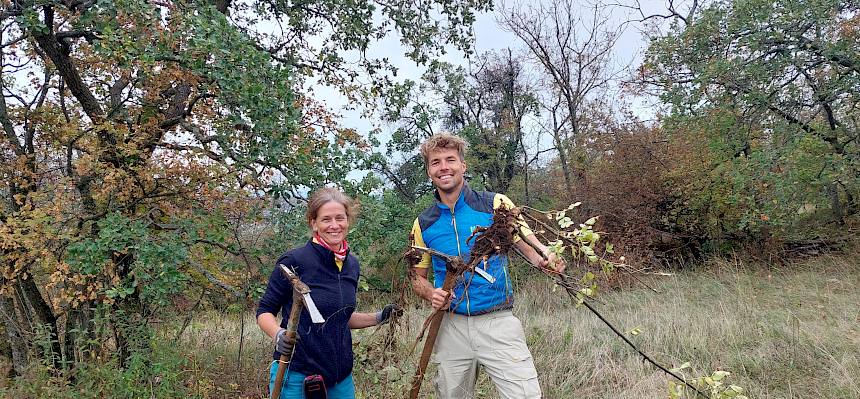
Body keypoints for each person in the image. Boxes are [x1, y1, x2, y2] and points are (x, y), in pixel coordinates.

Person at [409, 133, 565, 399]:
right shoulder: (423, 223)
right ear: (429, 170)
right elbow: (416, 277)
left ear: (463, 166)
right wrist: (430, 293)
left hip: (497, 320)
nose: (443, 167)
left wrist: (545, 258)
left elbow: (528, 244)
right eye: (436, 162)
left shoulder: (495, 204)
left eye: (450, 160)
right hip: (450, 325)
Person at [257, 187, 399, 398]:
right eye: (326, 219)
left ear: (348, 221)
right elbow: (264, 311)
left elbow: (340, 317)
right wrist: (278, 334)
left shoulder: (351, 265)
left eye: (340, 218)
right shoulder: (294, 262)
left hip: (339, 376)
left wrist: (379, 317)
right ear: (314, 223)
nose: (334, 225)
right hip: (296, 374)